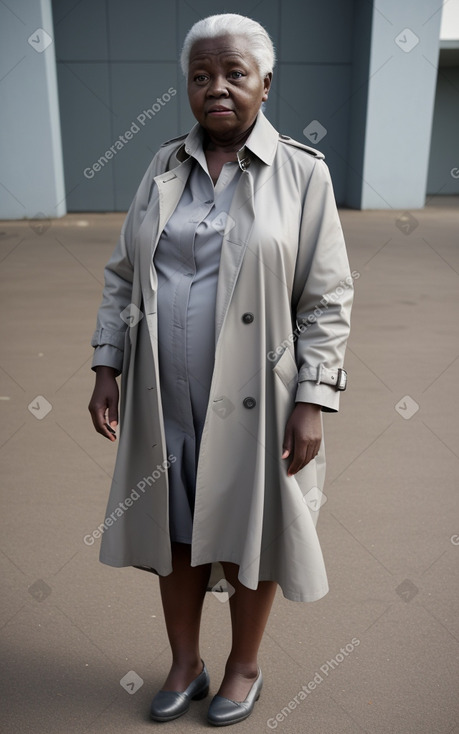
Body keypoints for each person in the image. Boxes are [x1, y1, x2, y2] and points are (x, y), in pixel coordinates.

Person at [88, 12, 353, 727]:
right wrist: (106, 364)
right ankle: (185, 664)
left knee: (250, 532)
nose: (217, 88)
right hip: (162, 397)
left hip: (257, 400)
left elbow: (326, 298)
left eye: (234, 74)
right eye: (201, 76)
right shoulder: (162, 165)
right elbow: (122, 274)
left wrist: (313, 399)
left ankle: (243, 667)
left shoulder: (302, 173)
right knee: (173, 534)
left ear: (265, 84)